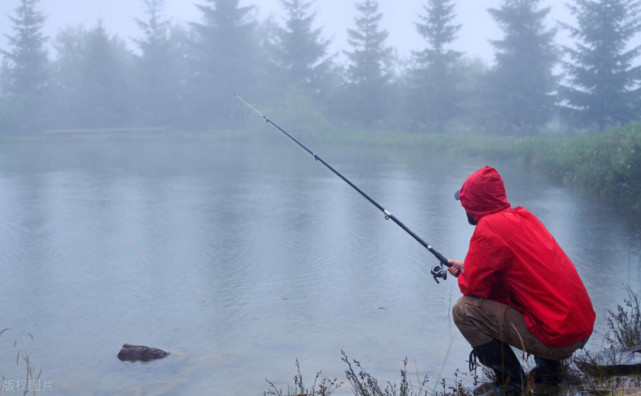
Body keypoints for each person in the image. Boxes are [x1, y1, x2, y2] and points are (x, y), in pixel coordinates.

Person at [447, 166, 595, 395]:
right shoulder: (523, 217)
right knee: (535, 299)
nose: (463, 206)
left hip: (557, 338)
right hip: (579, 329)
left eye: (464, 201)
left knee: (463, 310)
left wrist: (463, 275)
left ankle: (511, 385)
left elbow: (472, 288)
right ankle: (549, 373)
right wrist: (468, 269)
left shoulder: (488, 229)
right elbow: (518, 278)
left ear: (472, 203)